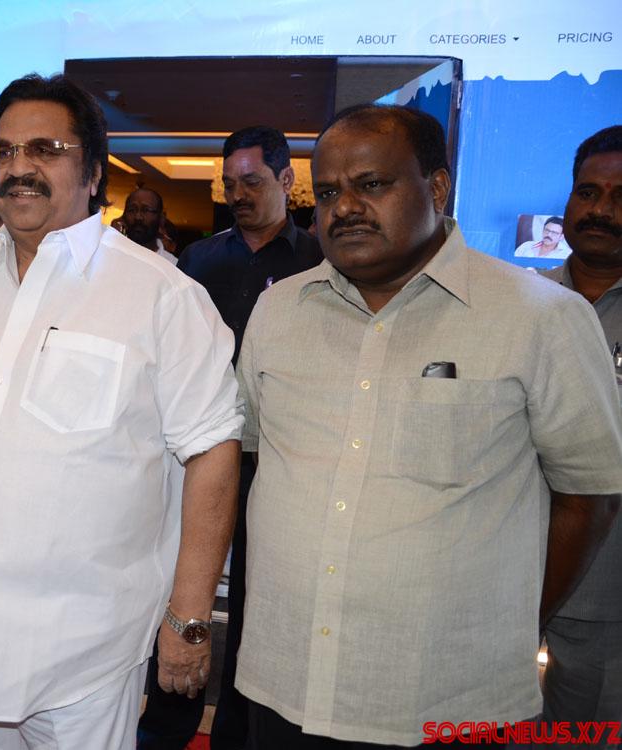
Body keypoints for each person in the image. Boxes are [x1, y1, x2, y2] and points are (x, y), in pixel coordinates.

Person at [235, 104, 622, 749]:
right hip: (285, 682)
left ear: (437, 188)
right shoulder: (278, 310)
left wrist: (509, 624)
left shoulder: (540, 318)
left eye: (372, 184)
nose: (345, 207)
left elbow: (590, 497)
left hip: (446, 695)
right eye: (327, 193)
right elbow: (251, 457)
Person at [0, 73, 242, 749]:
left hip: (83, 653)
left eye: (45, 149)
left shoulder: (159, 295)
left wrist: (189, 617)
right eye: (2, 151)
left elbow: (212, 452)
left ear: (93, 171)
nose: (18, 167)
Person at [138, 125, 322, 750]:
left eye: (252, 182)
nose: (238, 195)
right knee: (183, 587)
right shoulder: (197, 262)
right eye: (229, 184)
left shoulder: (318, 263)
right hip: (195, 457)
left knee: (256, 602)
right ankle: (168, 723)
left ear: (286, 180)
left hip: (279, 460)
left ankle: (239, 732)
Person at [538, 125, 622, 744]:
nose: (600, 210)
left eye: (621, 197)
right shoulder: (525, 303)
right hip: (510, 578)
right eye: (588, 192)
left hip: (606, 593)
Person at [120, 187, 177, 265]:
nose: (138, 217)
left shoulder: (172, 265)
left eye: (146, 210)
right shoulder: (110, 255)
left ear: (161, 218)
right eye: (132, 210)